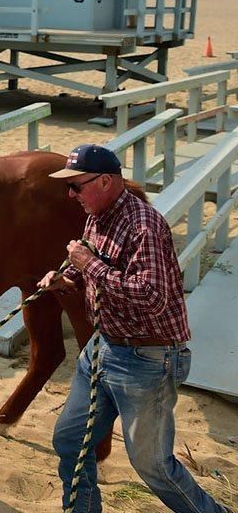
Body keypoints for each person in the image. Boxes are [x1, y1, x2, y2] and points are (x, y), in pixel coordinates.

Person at [39, 144, 229, 513]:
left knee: (154, 466)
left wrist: (88, 265)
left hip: (148, 359)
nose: (70, 194)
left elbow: (151, 296)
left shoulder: (144, 225)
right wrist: (68, 278)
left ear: (106, 181)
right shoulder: (98, 214)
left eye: (76, 186)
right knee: (70, 441)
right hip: (104, 346)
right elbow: (95, 270)